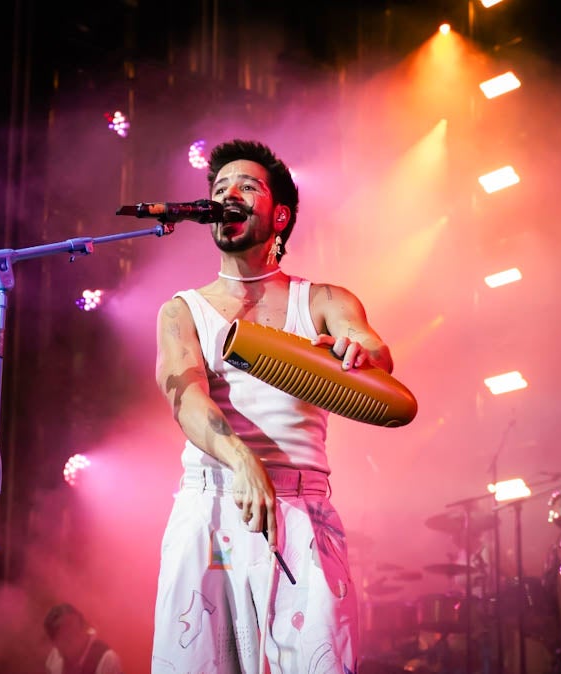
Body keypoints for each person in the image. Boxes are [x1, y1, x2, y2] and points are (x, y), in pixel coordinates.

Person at [151, 139, 395, 673]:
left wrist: (361, 350)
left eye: (245, 186)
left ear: (279, 215)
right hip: (213, 506)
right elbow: (186, 397)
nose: (226, 194)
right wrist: (241, 460)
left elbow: (374, 350)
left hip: (303, 512)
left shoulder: (324, 300)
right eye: (218, 188)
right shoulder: (183, 311)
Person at [43, 603, 124, 674]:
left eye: (74, 631)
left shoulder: (106, 659)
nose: (72, 639)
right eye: (64, 638)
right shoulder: (54, 658)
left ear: (83, 627)